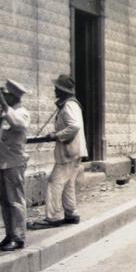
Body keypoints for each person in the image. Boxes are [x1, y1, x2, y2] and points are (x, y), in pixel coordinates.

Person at [30, 74, 87, 230]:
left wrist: (56, 135)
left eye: (57, 88)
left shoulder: (69, 105)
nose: (54, 90)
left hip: (70, 150)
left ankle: (53, 217)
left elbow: (74, 126)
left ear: (62, 90)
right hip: (74, 150)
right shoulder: (69, 105)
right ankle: (71, 213)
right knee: (68, 183)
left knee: (54, 182)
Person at [0, 80, 31, 252]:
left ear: (13, 96)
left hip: (15, 162)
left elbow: (17, 124)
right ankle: (9, 234)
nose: (4, 97)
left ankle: (19, 236)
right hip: (3, 161)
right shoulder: (7, 113)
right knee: (5, 200)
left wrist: (3, 105)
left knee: (15, 200)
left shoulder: (21, 113)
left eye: (6, 95)